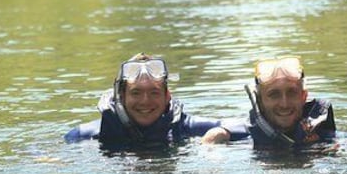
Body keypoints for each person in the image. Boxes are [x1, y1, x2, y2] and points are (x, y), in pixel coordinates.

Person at [64, 53, 248, 148]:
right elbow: (45, 153)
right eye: (136, 93)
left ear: (167, 95)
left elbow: (248, 127)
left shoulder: (185, 127)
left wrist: (219, 133)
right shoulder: (87, 135)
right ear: (121, 97)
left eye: (154, 92)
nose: (145, 101)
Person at [215, 56, 336, 149]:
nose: (284, 104)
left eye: (292, 92)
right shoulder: (240, 135)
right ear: (259, 100)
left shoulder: (322, 132)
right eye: (274, 95)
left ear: (303, 96)